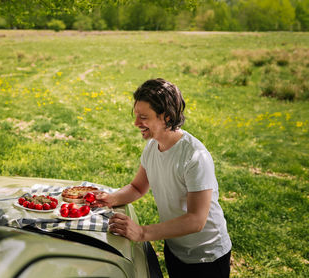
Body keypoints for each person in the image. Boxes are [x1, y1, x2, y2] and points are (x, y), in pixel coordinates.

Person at [94, 78, 232, 278]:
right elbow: (137, 187)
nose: (136, 123)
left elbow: (196, 220)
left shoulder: (194, 156)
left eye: (143, 117)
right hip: (175, 248)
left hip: (207, 257)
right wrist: (110, 198)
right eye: (136, 116)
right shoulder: (152, 147)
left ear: (166, 117)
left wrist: (142, 233)